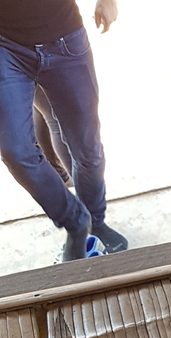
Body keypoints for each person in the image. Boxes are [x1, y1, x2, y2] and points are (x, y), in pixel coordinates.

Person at [0, 0, 128, 261]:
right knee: (16, 150)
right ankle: (76, 221)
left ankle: (95, 220)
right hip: (7, 47)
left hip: (65, 39)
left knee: (87, 147)